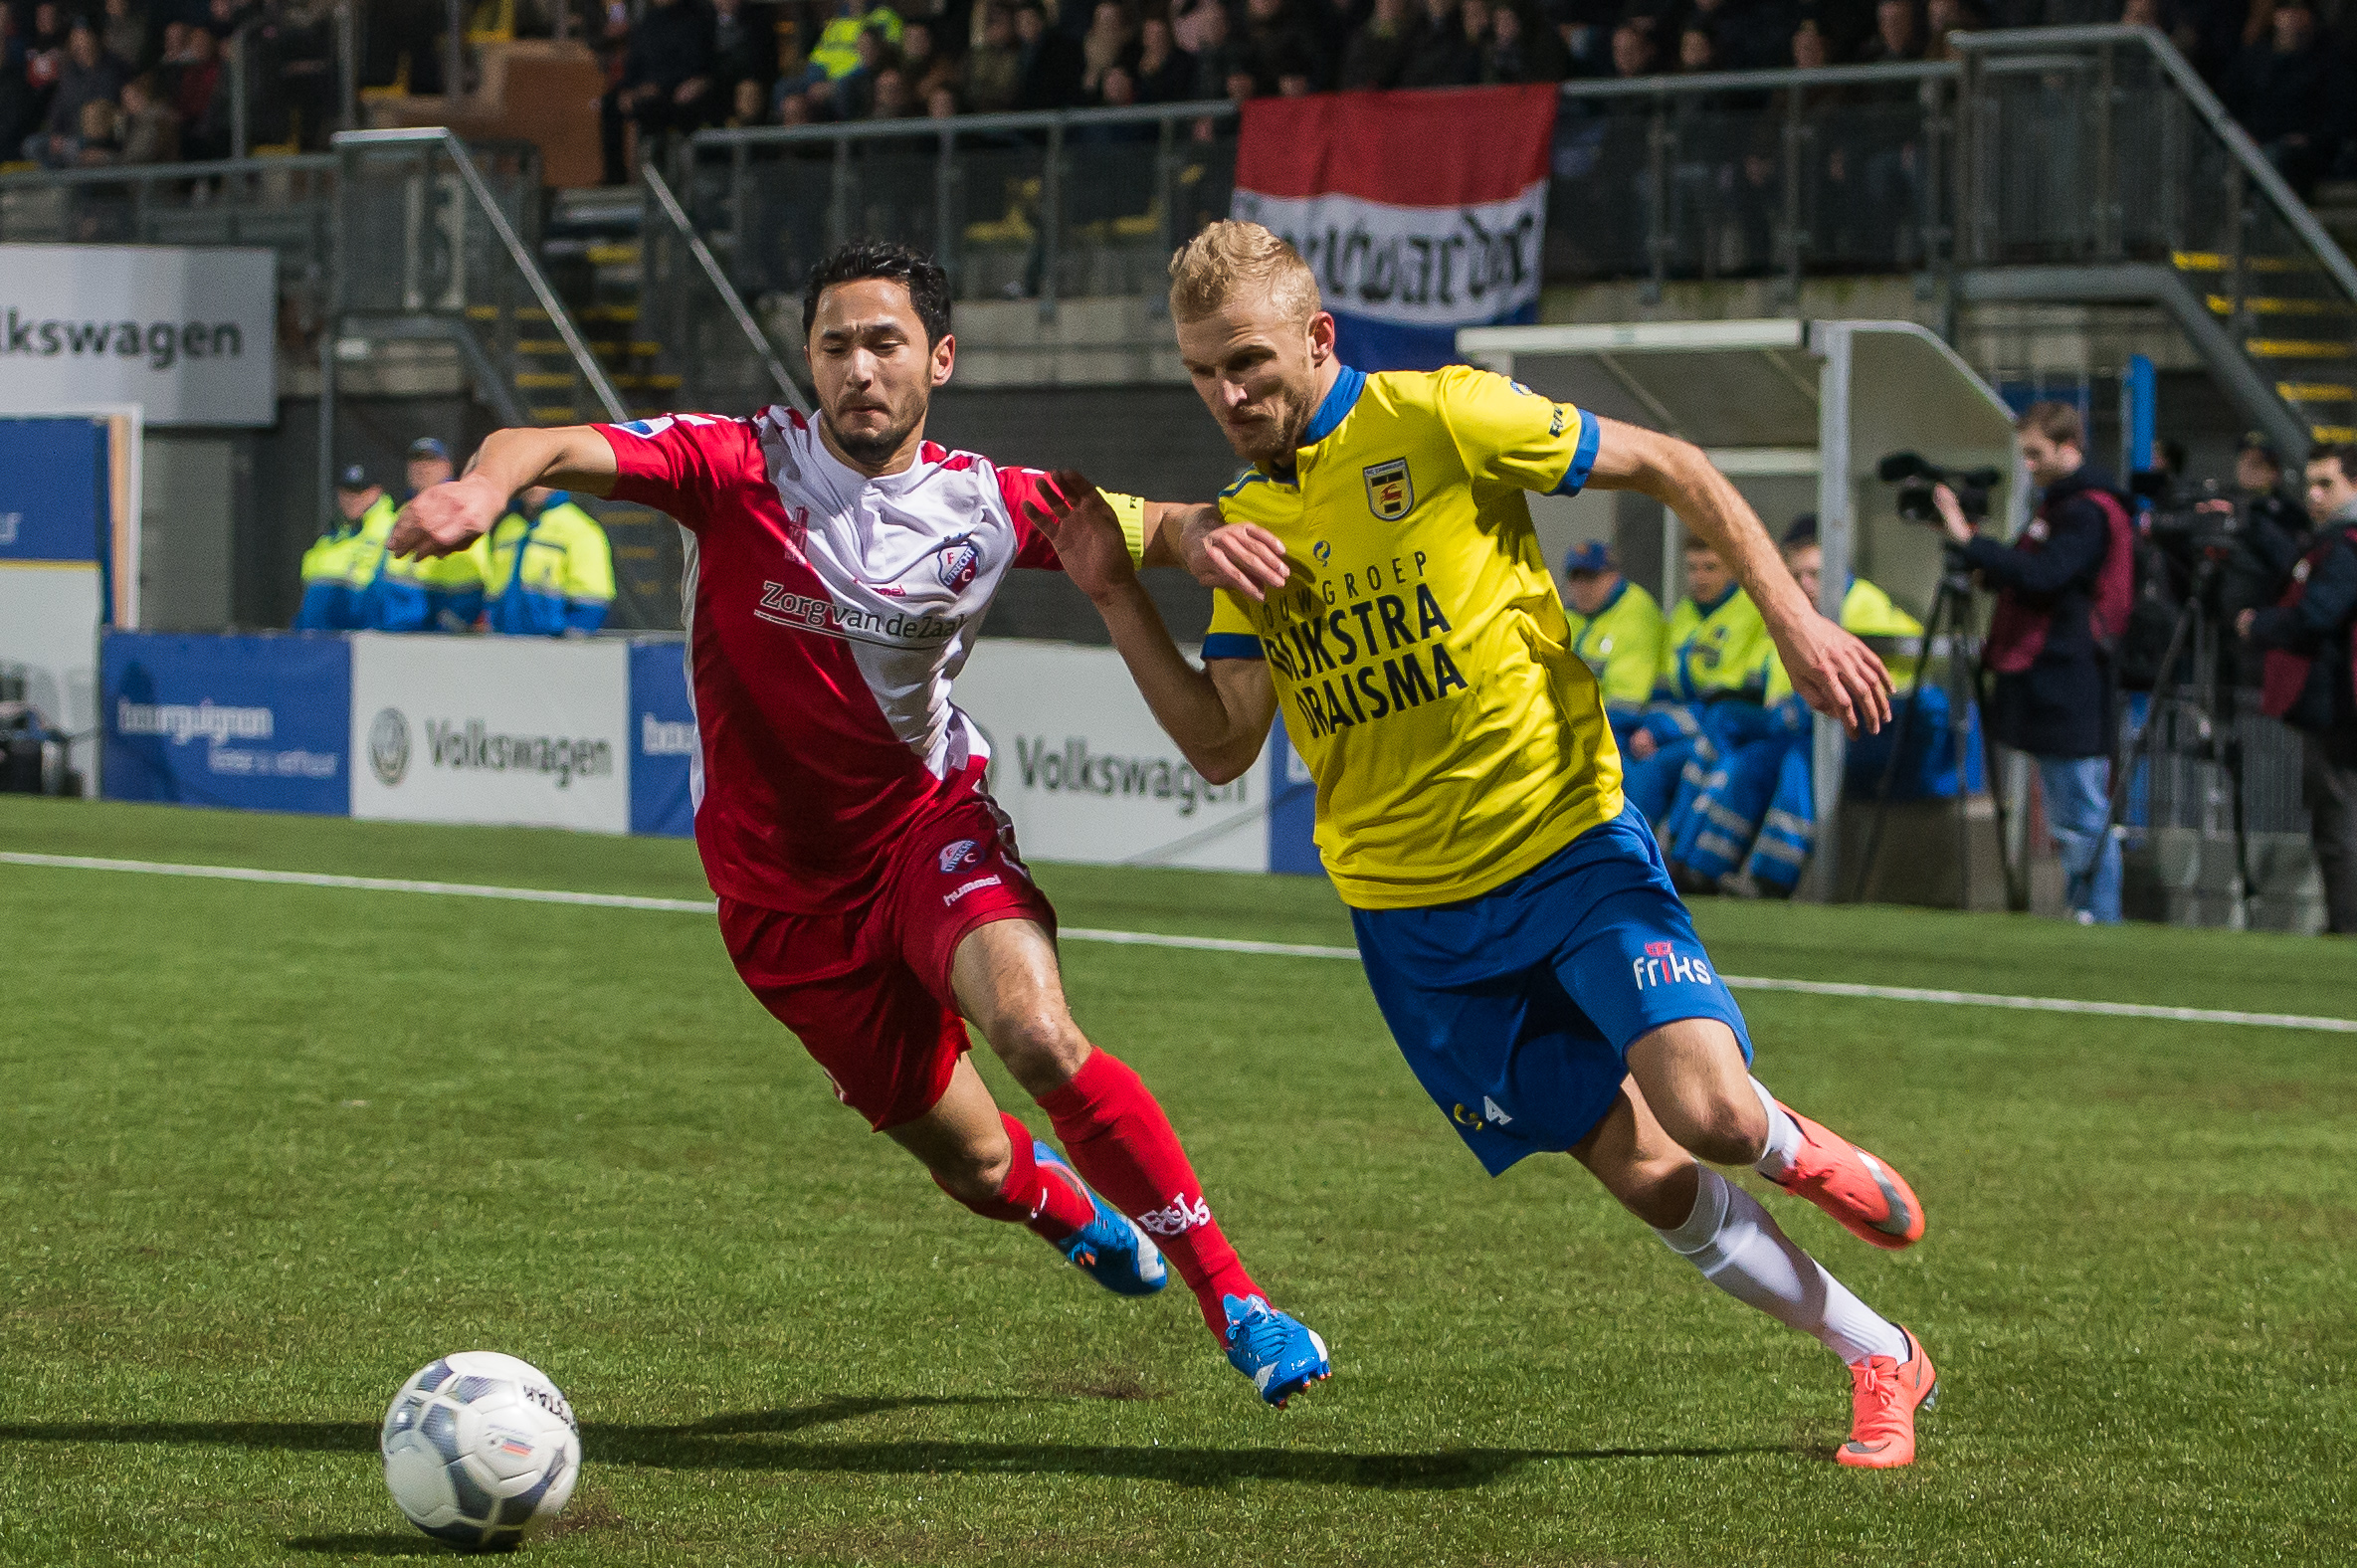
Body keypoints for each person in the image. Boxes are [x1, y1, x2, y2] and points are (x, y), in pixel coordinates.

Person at [1026, 220, 1937, 1468]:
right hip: (1413, 923)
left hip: (1565, 843)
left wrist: (1790, 620)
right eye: (1201, 372)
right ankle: (1879, 1353)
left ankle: (1785, 1142)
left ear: (1316, 337)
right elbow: (1222, 742)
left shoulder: (1443, 417)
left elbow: (1671, 463)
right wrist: (1118, 595)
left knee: (1712, 1116)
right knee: (1645, 1175)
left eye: (1246, 362)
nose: (1226, 394)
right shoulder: (1243, 525)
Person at [384, 241, 1332, 1407]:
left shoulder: (987, 502)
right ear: (809, 361)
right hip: (779, 901)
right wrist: (483, 489)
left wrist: (1205, 538)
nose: (859, 367)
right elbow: (546, 439)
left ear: (939, 359)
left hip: (924, 831)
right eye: (835, 345)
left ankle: (1237, 1302)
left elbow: (1156, 525)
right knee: (975, 1160)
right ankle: (1058, 1205)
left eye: (885, 342)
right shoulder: (731, 466)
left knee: (1035, 1032)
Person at [1937, 401, 2133, 926]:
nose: (2028, 465)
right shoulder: (2066, 507)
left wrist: (1972, 543)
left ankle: (2097, 913)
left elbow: (2046, 575)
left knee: (2081, 807)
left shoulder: (2085, 511)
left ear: (2069, 448)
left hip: (2070, 675)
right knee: (2072, 805)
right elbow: (2038, 575)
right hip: (2059, 673)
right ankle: (2087, 909)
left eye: (2036, 453)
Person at [1670, 515, 1924, 895]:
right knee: (1747, 759)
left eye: (1815, 574)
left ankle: (1774, 879)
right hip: (1800, 724)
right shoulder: (1798, 612)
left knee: (1797, 761)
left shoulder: (1862, 603)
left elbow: (1906, 669)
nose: (1805, 585)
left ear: (1839, 568)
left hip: (1868, 733)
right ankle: (1698, 869)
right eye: (1797, 576)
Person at [2239, 444, 2357, 934]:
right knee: (2334, 820)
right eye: (2309, 483)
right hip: (2335, 702)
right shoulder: (2331, 542)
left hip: (2339, 704)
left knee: (2337, 824)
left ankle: (2346, 928)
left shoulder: (2346, 546)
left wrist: (2260, 624)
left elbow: (2317, 616)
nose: (2314, 495)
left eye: (2327, 483)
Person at [1621, 537, 1775, 830]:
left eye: (1710, 568)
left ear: (1731, 569)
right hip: (1686, 722)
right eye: (1692, 568)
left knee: (1652, 769)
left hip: (1730, 725)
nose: (1700, 577)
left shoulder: (1750, 612)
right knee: (1629, 761)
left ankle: (1658, 846)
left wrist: (1658, 730)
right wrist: (1649, 727)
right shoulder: (1684, 613)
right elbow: (1666, 688)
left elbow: (1732, 698)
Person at [600, 0, 717, 185]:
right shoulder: (649, 21)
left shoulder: (696, 18)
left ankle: (660, 176)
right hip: (644, 89)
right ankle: (615, 179)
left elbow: (694, 65)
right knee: (610, 103)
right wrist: (627, 89)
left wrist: (658, 86)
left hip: (675, 93)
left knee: (653, 108)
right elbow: (635, 62)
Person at [1560, 539, 1664, 745]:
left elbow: (1627, 702)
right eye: (1575, 578)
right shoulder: (1571, 616)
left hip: (1628, 727)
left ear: (1613, 576)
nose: (1582, 587)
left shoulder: (1635, 611)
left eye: (1591, 577)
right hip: (1581, 724)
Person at [375, 438, 485, 632]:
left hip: (431, 635)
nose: (421, 467)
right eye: (416, 460)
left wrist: (449, 625)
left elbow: (471, 582)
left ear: (447, 467)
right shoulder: (402, 512)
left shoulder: (459, 512)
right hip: (393, 630)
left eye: (430, 460)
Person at [477, 487, 616, 636]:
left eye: (540, 478)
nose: (534, 486)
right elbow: (493, 589)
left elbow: (593, 599)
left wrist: (570, 640)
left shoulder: (580, 528)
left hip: (554, 643)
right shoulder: (507, 527)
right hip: (506, 639)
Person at [294, 464, 394, 631]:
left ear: (376, 492)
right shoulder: (328, 538)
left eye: (360, 491)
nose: (352, 498)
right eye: (347, 491)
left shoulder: (391, 529)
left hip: (363, 634)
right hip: (316, 634)